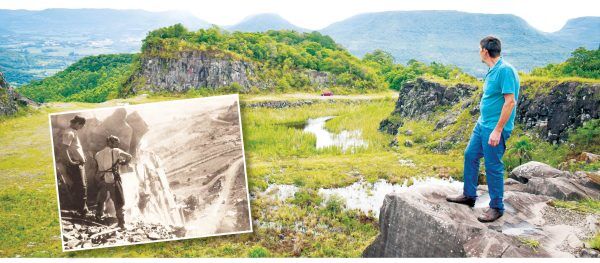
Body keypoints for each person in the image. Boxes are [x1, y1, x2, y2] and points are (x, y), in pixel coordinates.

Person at [446, 36, 520, 223]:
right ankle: (469, 195)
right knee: (470, 155)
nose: (478, 52)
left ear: (485, 51)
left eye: (479, 49)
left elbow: (510, 102)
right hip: (482, 124)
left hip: (494, 128)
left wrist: (497, 130)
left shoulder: (505, 71)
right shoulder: (492, 69)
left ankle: (496, 207)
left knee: (493, 166)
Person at [94, 135, 132, 229]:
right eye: (116, 142)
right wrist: (124, 163)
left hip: (102, 178)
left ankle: (98, 216)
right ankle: (121, 223)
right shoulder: (116, 151)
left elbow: (97, 166)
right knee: (118, 200)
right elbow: (129, 157)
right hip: (112, 179)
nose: (117, 144)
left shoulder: (98, 154)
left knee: (101, 199)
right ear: (110, 142)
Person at [61, 115, 88, 217]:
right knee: (81, 187)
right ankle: (81, 211)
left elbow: (75, 147)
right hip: (76, 164)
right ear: (77, 123)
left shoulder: (73, 132)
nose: (81, 128)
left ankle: (83, 209)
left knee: (83, 186)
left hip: (79, 163)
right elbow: (64, 149)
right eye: (81, 126)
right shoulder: (69, 133)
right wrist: (71, 161)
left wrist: (82, 157)